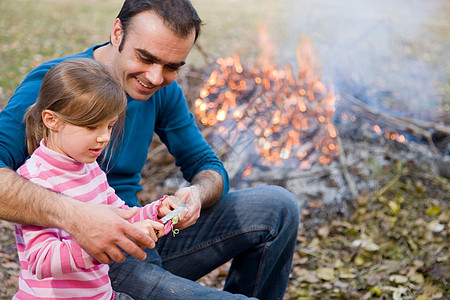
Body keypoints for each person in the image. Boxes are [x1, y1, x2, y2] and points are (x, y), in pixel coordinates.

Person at [0, 0, 301, 299]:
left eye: (171, 67)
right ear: (117, 33)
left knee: (278, 207)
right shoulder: (58, 86)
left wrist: (194, 195)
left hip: (140, 233)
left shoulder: (161, 90)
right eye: (145, 57)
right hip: (88, 260)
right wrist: (78, 219)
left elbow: (205, 164)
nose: (155, 77)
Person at [14, 58, 185, 299]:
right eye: (93, 127)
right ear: (52, 120)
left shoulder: (90, 168)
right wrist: (98, 243)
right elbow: (41, 260)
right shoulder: (37, 179)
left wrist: (156, 212)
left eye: (109, 126)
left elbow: (122, 214)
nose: (104, 137)